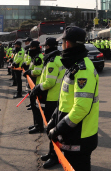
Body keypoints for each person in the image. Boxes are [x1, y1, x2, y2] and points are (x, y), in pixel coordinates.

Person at [47, 27, 99, 171]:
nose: (61, 46)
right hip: (73, 133)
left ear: (67, 43)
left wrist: (58, 128)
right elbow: (66, 100)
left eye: (62, 42)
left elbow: (81, 108)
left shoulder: (83, 69)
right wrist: (53, 119)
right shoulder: (74, 65)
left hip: (81, 135)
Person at [35, 37, 66, 168]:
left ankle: (55, 156)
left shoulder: (52, 62)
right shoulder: (58, 58)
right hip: (57, 98)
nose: (43, 48)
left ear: (48, 47)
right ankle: (52, 152)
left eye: (45, 46)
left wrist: (38, 88)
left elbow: (50, 82)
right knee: (52, 129)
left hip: (51, 99)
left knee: (52, 129)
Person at [24, 40, 45, 133]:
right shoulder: (35, 57)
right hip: (33, 84)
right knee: (33, 106)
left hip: (36, 85)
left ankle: (39, 126)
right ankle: (36, 123)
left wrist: (29, 72)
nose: (30, 49)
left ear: (36, 48)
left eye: (32, 47)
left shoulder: (38, 57)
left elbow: (37, 72)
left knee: (36, 107)